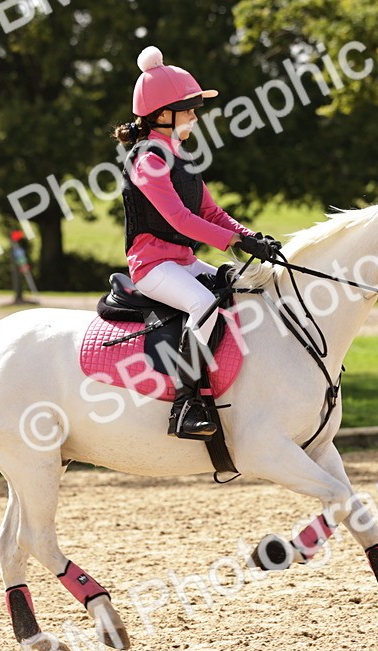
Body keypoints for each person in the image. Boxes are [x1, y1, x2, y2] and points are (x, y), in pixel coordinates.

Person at [114, 46, 281, 440]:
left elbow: (211, 211)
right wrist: (233, 243)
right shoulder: (148, 160)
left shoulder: (180, 155)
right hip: (153, 266)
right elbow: (179, 219)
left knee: (244, 291)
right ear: (162, 113)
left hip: (183, 261)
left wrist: (250, 237)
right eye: (188, 108)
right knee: (204, 304)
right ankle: (187, 404)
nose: (194, 115)